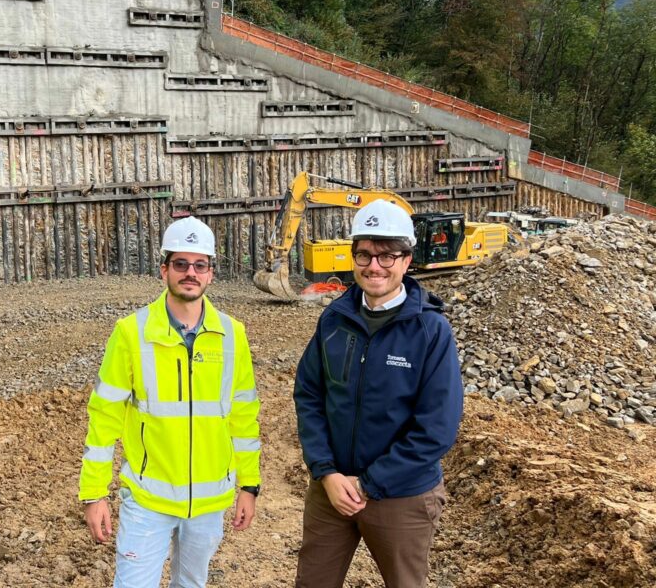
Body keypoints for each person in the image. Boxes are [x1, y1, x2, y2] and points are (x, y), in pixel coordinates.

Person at [79, 216, 262, 588]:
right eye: (181, 264)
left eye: (199, 265)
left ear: (211, 273)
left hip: (209, 504)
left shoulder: (232, 335)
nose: (190, 273)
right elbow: (104, 418)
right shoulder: (131, 333)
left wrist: (250, 485)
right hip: (148, 501)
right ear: (164, 270)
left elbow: (243, 416)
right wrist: (93, 493)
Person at [294, 199, 463, 588]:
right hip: (331, 491)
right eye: (365, 254)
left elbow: (436, 427)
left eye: (388, 256)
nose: (374, 266)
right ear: (353, 258)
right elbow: (309, 394)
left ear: (407, 261)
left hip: (401, 495)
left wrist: (369, 484)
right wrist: (326, 471)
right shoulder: (335, 319)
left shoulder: (431, 331)